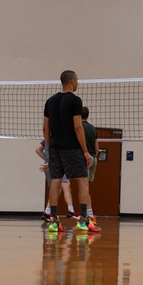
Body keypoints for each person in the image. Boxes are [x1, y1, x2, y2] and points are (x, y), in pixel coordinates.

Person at [43, 70, 99, 234]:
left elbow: (45, 128)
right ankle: (83, 220)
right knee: (82, 180)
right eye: (77, 80)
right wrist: (85, 151)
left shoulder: (50, 101)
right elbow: (77, 126)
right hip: (72, 147)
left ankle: (53, 221)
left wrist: (49, 148)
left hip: (55, 147)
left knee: (55, 181)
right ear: (72, 81)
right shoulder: (75, 100)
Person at [37, 140, 76, 220]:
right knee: (66, 186)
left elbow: (37, 149)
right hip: (58, 165)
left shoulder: (46, 140)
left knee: (55, 190)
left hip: (47, 166)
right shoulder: (60, 140)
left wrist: (46, 160)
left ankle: (47, 211)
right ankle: (71, 210)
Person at [80, 107, 100, 223]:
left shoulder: (79, 127)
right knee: (86, 188)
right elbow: (97, 148)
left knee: (83, 188)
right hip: (94, 159)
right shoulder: (93, 128)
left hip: (85, 159)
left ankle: (86, 216)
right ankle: (90, 213)